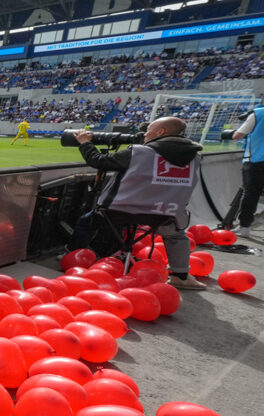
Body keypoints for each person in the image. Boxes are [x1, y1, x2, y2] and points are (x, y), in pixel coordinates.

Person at [74, 116, 205, 290]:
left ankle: (74, 258)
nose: (145, 134)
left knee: (87, 222)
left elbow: (98, 161)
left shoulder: (138, 152)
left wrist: (85, 143)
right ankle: (180, 276)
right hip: (165, 215)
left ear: (161, 132)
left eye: (148, 130)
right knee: (177, 236)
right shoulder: (195, 158)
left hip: (119, 211)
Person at [231, 103, 264, 240]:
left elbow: (237, 135)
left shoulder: (258, 113)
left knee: (251, 194)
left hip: (256, 160)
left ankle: (244, 227)